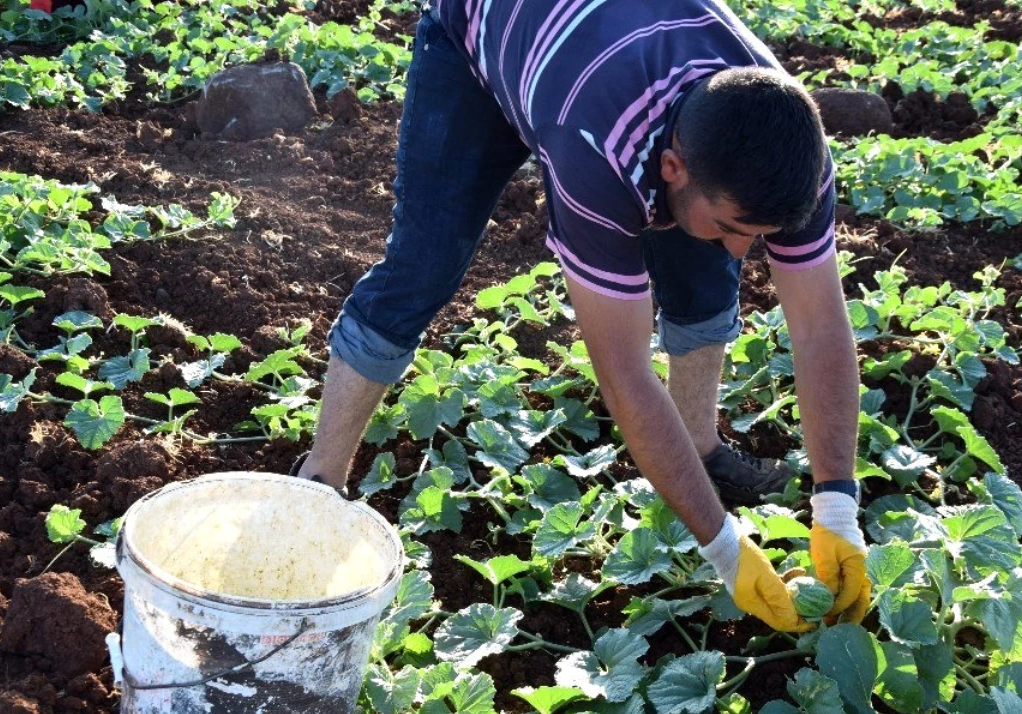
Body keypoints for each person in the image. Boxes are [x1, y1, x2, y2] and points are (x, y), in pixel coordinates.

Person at [296, 0, 869, 631]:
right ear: (671, 166)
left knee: (704, 264)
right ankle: (322, 478)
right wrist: (726, 550)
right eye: (736, 227)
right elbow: (624, 374)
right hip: (482, 40)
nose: (744, 249)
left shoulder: (790, 153)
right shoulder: (595, 148)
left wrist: (838, 501)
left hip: (604, 50)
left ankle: (700, 449)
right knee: (423, 265)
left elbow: (820, 327)